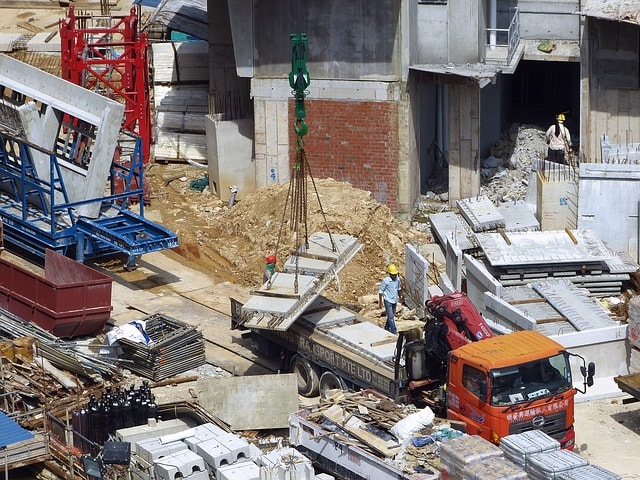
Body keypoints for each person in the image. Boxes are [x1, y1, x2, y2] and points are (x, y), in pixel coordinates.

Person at [378, 263, 403, 334]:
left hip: (394, 300)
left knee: (391, 315)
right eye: (393, 274)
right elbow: (380, 292)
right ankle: (394, 331)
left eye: (395, 274)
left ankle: (386, 327)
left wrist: (400, 296)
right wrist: (380, 302)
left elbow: (399, 288)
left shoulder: (397, 280)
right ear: (390, 274)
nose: (395, 276)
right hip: (388, 300)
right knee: (391, 317)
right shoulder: (386, 281)